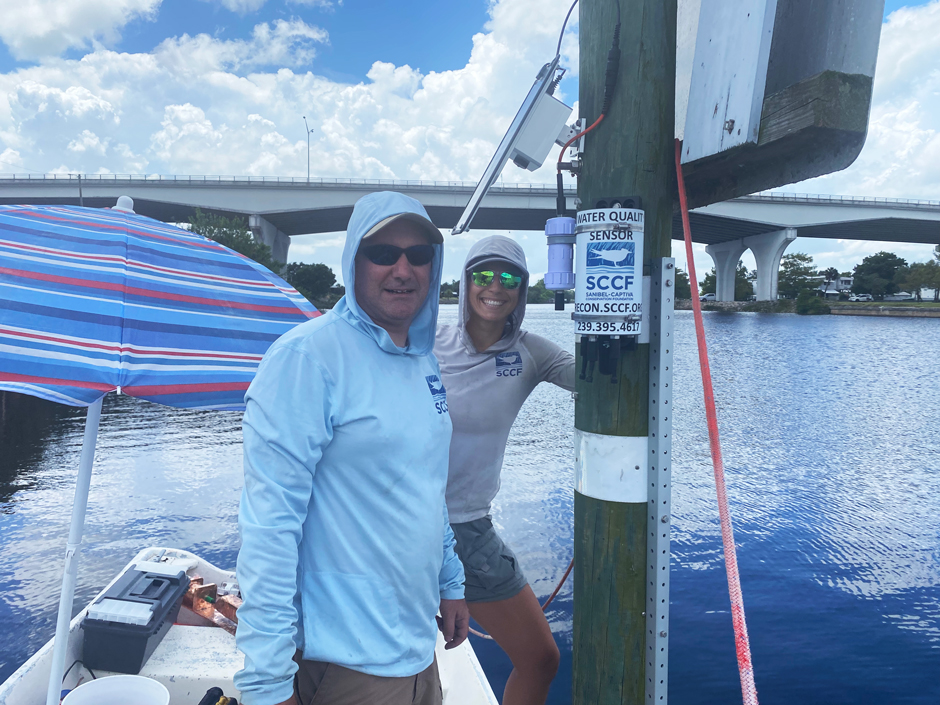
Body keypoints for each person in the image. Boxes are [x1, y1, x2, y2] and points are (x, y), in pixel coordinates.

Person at [234, 191, 469, 705]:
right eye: (383, 253)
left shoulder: (422, 360)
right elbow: (269, 528)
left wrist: (451, 581)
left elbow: (427, 488)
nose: (403, 268)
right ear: (354, 263)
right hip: (343, 663)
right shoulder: (307, 358)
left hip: (415, 649)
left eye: (419, 254)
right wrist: (268, 685)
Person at [434, 236, 576, 705]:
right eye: (483, 275)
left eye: (510, 277)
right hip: (401, 518)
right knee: (399, 657)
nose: (495, 286)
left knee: (539, 660)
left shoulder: (531, 352)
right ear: (465, 282)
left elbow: (598, 378)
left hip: (466, 529)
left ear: (522, 290)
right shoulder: (424, 342)